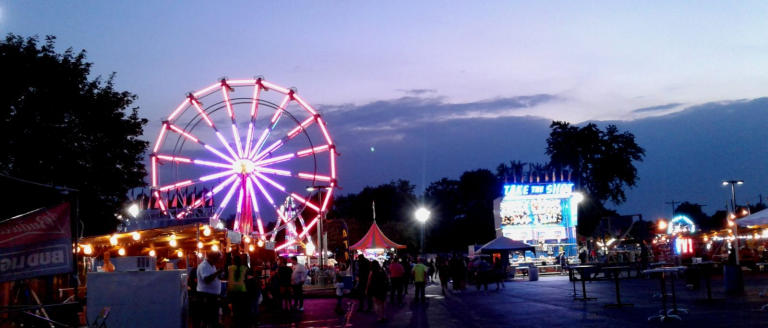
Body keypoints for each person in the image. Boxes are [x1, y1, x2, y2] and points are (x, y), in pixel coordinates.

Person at [197, 251, 225, 328]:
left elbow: (213, 277)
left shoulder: (211, 265)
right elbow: (207, 279)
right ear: (211, 258)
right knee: (207, 318)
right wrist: (217, 272)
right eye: (216, 259)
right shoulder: (204, 266)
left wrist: (219, 274)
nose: (217, 261)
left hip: (212, 296)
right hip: (207, 296)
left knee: (214, 318)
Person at [228, 254, 249, 328]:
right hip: (242, 290)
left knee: (235, 308)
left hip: (233, 290)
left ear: (233, 261)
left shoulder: (230, 268)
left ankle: (236, 322)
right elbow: (246, 278)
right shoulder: (244, 268)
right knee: (242, 307)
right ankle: (242, 322)